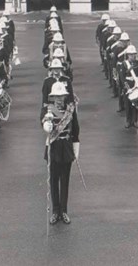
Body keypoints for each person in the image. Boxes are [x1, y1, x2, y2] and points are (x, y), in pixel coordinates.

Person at [41, 81, 80, 225]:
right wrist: (47, 125)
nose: (59, 99)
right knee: (53, 181)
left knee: (65, 181)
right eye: (56, 96)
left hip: (67, 148)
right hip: (54, 147)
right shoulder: (47, 110)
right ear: (52, 97)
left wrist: (76, 150)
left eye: (61, 96)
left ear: (65, 97)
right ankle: (55, 211)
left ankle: (64, 211)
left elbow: (75, 130)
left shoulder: (70, 110)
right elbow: (42, 122)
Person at [120, 45, 138, 129]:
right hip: (128, 87)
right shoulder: (124, 64)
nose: (133, 56)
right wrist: (127, 88)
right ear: (128, 55)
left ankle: (135, 121)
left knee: (135, 105)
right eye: (131, 54)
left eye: (134, 54)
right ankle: (128, 121)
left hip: (136, 86)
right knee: (127, 105)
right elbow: (122, 77)